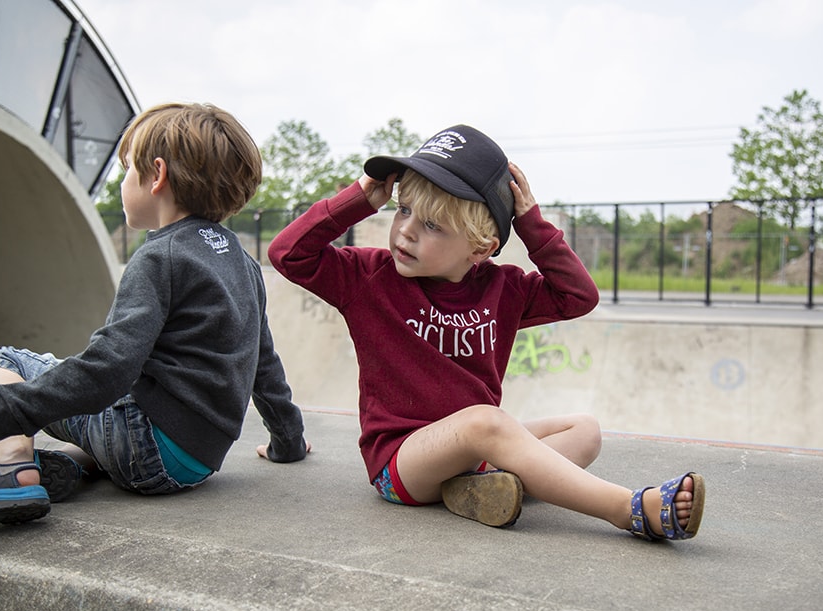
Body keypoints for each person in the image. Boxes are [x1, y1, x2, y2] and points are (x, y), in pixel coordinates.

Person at [264, 124, 704, 541]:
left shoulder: (503, 288)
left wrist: (531, 224)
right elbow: (287, 254)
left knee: (585, 429)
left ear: (481, 247)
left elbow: (578, 297)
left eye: (432, 225)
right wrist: (359, 198)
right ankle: (627, 508)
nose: (406, 231)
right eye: (403, 209)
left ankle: (479, 491)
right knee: (485, 421)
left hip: (474, 454)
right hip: (401, 465)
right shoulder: (367, 278)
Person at [0, 102, 307, 529]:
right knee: (104, 406)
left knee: (4, 361)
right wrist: (288, 441)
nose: (123, 181)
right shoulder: (242, 262)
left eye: (128, 169)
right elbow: (264, 361)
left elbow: (107, 370)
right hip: (196, 462)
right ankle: (73, 465)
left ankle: (10, 467)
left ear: (157, 175)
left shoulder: (160, 257)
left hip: (143, 446)